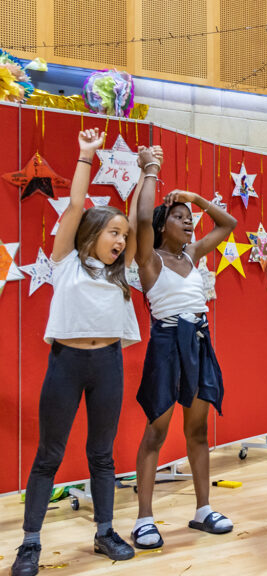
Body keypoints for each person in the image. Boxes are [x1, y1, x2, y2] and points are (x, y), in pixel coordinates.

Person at [13, 129, 141, 576]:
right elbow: (74, 206)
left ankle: (105, 530)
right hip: (67, 364)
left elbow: (141, 221)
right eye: (113, 232)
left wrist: (147, 173)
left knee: (102, 454)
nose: (121, 241)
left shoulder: (119, 276)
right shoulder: (66, 260)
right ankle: (30, 544)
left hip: (108, 364)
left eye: (124, 235)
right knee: (49, 453)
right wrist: (86, 156)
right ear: (92, 235)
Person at [131, 145, 238, 548]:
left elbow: (227, 224)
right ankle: (144, 518)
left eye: (189, 219)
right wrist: (153, 169)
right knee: (156, 432)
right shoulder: (149, 259)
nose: (189, 224)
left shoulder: (192, 254)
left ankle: (203, 510)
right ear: (162, 227)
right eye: (179, 218)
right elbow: (142, 216)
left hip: (198, 341)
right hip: (166, 343)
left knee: (197, 430)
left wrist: (195, 199)